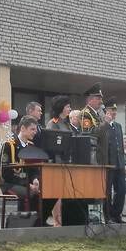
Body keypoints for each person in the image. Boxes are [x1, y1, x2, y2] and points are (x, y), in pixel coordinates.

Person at [0, 116, 43, 219]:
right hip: (10, 183)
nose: (35, 132)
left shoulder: (31, 146)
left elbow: (34, 169)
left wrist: (35, 179)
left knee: (45, 192)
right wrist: (27, 184)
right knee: (30, 193)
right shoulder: (9, 145)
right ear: (23, 128)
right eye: (32, 129)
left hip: (26, 183)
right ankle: (25, 222)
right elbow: (6, 173)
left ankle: (39, 221)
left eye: (36, 129)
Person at [96, 98, 126, 223]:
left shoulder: (118, 126)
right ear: (105, 111)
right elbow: (98, 137)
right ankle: (108, 216)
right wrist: (105, 123)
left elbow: (120, 145)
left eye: (115, 110)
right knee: (107, 191)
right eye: (111, 110)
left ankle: (116, 214)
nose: (113, 113)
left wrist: (124, 163)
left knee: (121, 190)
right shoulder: (101, 124)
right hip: (108, 163)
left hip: (119, 163)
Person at [45, 95, 71, 226]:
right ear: (61, 108)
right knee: (58, 193)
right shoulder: (53, 123)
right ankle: (57, 220)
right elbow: (51, 144)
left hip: (67, 162)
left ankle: (65, 218)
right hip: (56, 162)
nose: (69, 109)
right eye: (67, 107)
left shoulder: (67, 123)